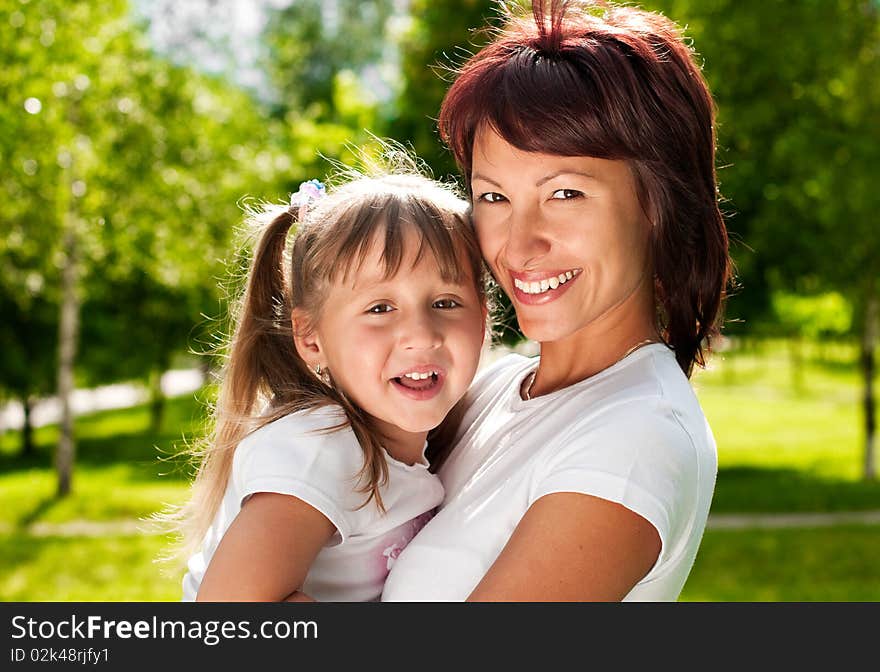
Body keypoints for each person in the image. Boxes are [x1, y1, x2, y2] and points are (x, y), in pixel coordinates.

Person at [381, 0, 732, 601]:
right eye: (493, 197)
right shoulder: (491, 390)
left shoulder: (635, 437)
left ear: (657, 204)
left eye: (565, 193)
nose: (519, 244)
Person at [173, 154, 488, 602]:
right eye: (380, 309)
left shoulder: (416, 443)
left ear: (484, 315)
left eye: (446, 302)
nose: (421, 336)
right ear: (312, 338)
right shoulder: (319, 445)